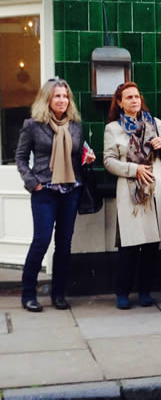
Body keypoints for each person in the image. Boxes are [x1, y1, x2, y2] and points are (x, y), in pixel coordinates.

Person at [15, 78, 96, 312]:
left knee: (64, 244)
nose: (62, 100)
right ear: (47, 99)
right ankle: (28, 295)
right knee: (41, 241)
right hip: (45, 191)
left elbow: (77, 154)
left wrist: (87, 158)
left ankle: (58, 294)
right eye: (57, 96)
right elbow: (21, 158)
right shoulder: (33, 125)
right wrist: (33, 184)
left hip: (71, 190)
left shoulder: (75, 125)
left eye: (65, 96)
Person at [104, 82, 161, 309]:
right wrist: (133, 169)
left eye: (136, 96)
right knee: (130, 244)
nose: (134, 100)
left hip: (155, 187)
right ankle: (122, 292)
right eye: (129, 97)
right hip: (131, 189)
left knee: (152, 244)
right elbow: (108, 161)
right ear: (119, 103)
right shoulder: (113, 129)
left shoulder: (155, 123)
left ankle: (145, 290)